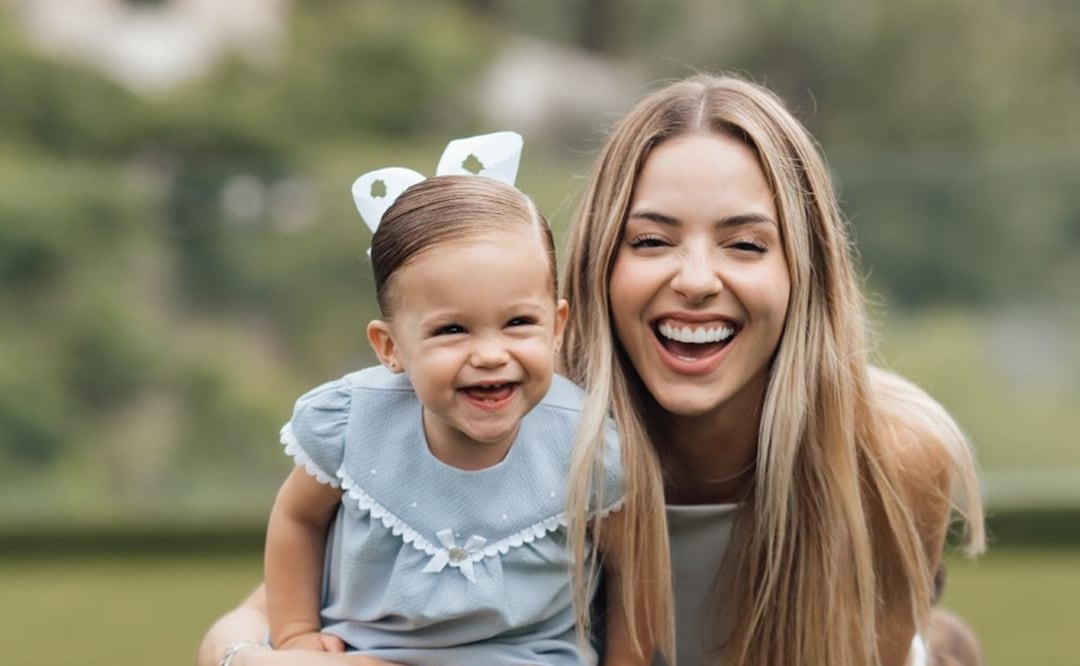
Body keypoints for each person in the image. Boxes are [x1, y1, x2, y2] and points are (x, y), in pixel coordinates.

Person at [198, 75, 985, 666]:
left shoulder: (893, 455)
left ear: (803, 272)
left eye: (745, 243)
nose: (698, 279)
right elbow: (244, 626)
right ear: (595, 267)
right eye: (651, 241)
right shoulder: (512, 421)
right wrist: (262, 658)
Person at [248, 132, 645, 665]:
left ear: (557, 326)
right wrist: (295, 633)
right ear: (390, 348)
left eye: (519, 323)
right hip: (364, 654)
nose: (489, 354)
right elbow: (298, 518)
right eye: (452, 329)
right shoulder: (351, 423)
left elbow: (630, 572)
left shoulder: (587, 446)